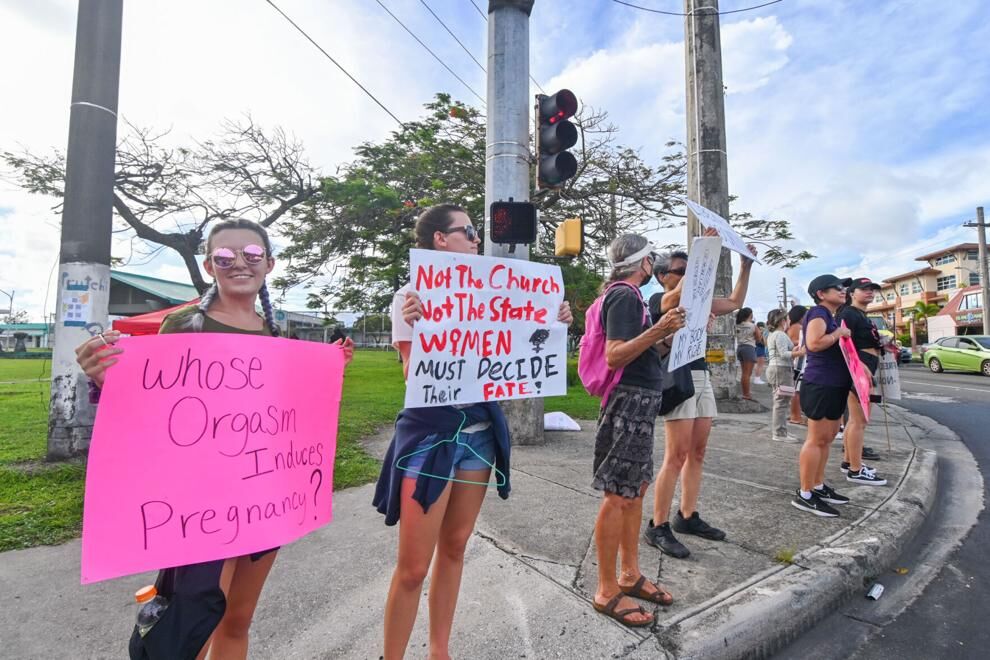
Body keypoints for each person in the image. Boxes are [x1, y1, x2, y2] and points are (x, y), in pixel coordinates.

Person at [75, 218, 355, 660]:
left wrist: (329, 369)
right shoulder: (184, 327)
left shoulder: (277, 335)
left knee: (238, 620)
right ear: (209, 265)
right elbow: (151, 410)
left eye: (251, 255)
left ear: (269, 264)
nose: (238, 263)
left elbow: (290, 414)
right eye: (225, 257)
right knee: (195, 623)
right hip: (200, 506)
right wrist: (104, 378)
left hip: (264, 499)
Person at [374, 204, 573, 658]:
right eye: (468, 231)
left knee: (456, 546)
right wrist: (421, 326)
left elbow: (521, 341)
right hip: (431, 439)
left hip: (480, 435)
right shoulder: (411, 296)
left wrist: (553, 317)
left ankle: (439, 650)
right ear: (440, 240)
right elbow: (412, 375)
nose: (477, 239)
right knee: (412, 568)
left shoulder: (493, 292)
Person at [590, 234, 684, 627]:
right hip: (628, 403)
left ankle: (629, 573)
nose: (655, 270)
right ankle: (606, 587)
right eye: (654, 263)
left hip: (639, 401)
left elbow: (641, 352)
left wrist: (667, 335)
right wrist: (659, 328)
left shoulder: (626, 297)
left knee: (635, 489)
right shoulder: (625, 296)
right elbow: (615, 355)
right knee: (618, 494)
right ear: (644, 264)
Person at [645, 239, 756, 559]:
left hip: (700, 373)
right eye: (681, 270)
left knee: (698, 450)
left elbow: (734, 301)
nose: (687, 276)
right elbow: (673, 301)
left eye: (689, 270)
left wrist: (745, 265)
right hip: (677, 375)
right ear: (662, 275)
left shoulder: (701, 300)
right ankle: (658, 524)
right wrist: (705, 252)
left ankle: (688, 515)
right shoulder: (658, 300)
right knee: (675, 454)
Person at [791, 274, 853, 517]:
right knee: (816, 439)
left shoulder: (830, 316)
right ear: (821, 294)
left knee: (826, 439)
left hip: (833, 383)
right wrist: (840, 334)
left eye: (843, 287)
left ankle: (817, 485)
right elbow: (815, 343)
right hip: (820, 383)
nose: (842, 291)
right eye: (836, 287)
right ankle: (805, 493)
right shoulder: (818, 313)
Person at [836, 278, 887, 486]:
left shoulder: (860, 315)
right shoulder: (848, 313)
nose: (870, 293)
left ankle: (850, 462)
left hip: (865, 364)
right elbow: (844, 344)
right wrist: (860, 366)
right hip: (859, 367)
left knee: (854, 420)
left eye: (872, 290)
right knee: (860, 420)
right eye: (864, 289)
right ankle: (856, 470)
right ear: (852, 293)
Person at [765, 309, 805, 442]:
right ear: (782, 321)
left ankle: (781, 431)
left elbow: (782, 351)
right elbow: (783, 354)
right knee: (781, 402)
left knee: (781, 401)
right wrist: (800, 353)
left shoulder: (775, 334)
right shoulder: (780, 334)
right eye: (787, 319)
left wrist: (794, 350)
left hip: (778, 369)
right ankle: (779, 433)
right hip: (780, 369)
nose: (789, 321)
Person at [786, 305, 808, 426]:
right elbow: (795, 342)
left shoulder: (792, 327)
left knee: (796, 390)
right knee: (797, 391)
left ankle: (795, 414)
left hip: (795, 360)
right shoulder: (798, 327)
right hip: (799, 361)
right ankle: (796, 416)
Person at [734, 308, 760, 399]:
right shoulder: (753, 326)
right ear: (750, 315)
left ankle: (745, 393)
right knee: (747, 373)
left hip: (740, 348)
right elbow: (758, 338)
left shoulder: (737, 325)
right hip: (749, 348)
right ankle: (746, 394)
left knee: (743, 373)